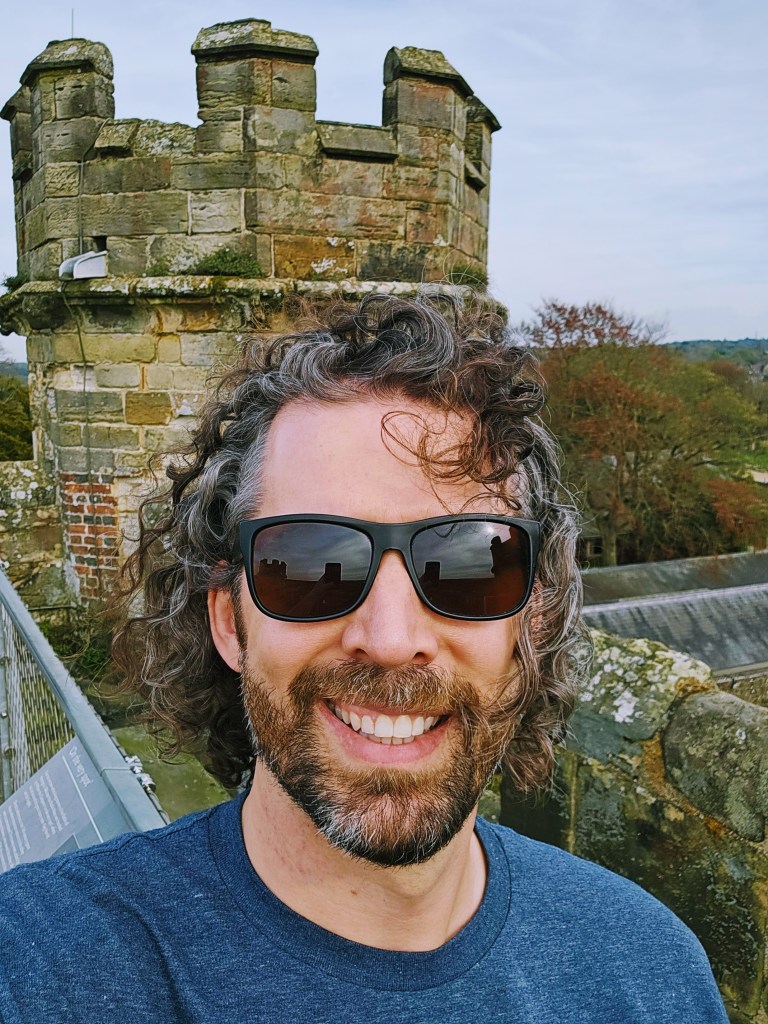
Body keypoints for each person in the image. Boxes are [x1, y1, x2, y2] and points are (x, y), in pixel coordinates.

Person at [0, 294, 727, 1022]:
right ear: (228, 621)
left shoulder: (650, 971)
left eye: (469, 565)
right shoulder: (45, 963)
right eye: (308, 563)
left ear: (532, 622)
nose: (390, 638)